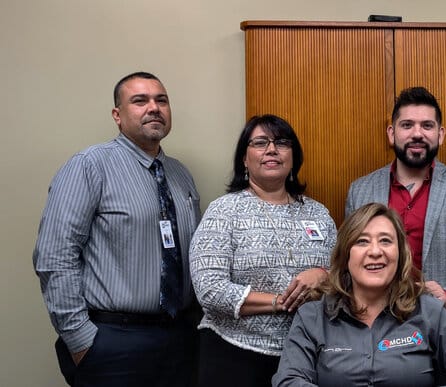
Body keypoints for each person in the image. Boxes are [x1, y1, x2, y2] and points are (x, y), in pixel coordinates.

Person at [33, 71, 202, 387]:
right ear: (117, 115)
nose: (154, 107)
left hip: (179, 340)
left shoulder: (180, 174)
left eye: (161, 100)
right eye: (140, 101)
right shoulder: (90, 165)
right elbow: (55, 256)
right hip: (114, 341)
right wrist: (81, 340)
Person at [273, 203, 446, 387]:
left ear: (400, 254)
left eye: (386, 241)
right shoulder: (312, 316)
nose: (375, 251)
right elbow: (288, 379)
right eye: (362, 241)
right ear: (345, 256)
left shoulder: (428, 311)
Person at [345, 86, 446, 340]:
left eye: (427, 126)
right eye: (407, 125)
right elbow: (347, 263)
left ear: (440, 135)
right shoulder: (360, 190)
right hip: (372, 331)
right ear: (391, 133)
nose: (417, 133)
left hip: (443, 331)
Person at [189, 114, 336, 387]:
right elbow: (209, 289)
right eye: (260, 143)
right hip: (234, 355)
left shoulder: (318, 213)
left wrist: (322, 274)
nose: (272, 149)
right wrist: (279, 302)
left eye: (281, 142)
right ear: (244, 159)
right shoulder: (224, 211)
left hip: (307, 356)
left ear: (294, 156)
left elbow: (344, 276)